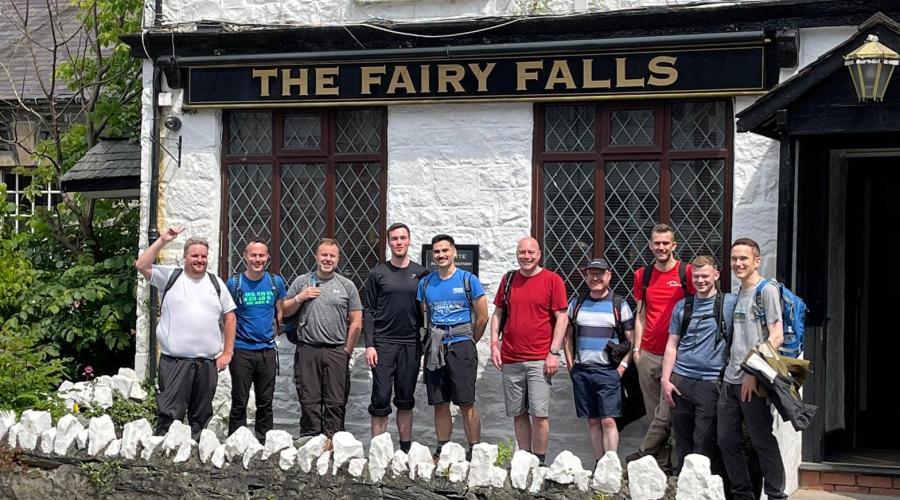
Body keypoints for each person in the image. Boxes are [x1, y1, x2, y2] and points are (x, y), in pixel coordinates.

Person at [134, 227, 237, 441]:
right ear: (185, 257)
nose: (199, 260)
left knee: (201, 417)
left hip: (207, 364)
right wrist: (163, 240)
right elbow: (141, 265)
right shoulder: (170, 276)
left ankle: (196, 463)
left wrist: (227, 352)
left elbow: (230, 317)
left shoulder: (216, 283)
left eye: (203, 256)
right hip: (175, 363)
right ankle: (163, 460)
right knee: (169, 416)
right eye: (195, 255)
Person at [489, 236, 568, 466]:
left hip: (539, 359)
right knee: (518, 413)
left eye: (531, 253)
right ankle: (524, 459)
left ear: (539, 254)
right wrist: (494, 344)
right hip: (511, 357)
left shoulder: (552, 280)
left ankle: (540, 462)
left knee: (539, 413)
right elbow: (498, 314)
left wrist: (553, 352)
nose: (526, 257)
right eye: (522, 252)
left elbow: (561, 318)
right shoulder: (509, 279)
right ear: (517, 254)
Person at [718, 238, 787, 500]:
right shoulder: (738, 294)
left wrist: (751, 372)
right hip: (730, 379)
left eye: (743, 258)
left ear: (756, 261)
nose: (737, 263)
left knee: (761, 440)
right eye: (734, 258)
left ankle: (775, 494)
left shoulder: (766, 290)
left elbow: (777, 336)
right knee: (726, 440)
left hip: (753, 379)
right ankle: (742, 494)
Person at [629, 223, 695, 470]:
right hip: (648, 354)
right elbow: (641, 314)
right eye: (657, 243)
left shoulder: (685, 273)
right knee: (653, 415)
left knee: (666, 415)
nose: (661, 247)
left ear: (674, 245)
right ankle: (662, 468)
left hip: (677, 356)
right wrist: (637, 350)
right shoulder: (642, 275)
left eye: (666, 243)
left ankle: (644, 455)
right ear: (650, 245)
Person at [661, 255, 736, 472]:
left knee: (703, 438)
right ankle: (682, 483)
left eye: (705, 276)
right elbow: (672, 344)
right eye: (696, 277)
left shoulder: (729, 304)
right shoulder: (682, 306)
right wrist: (666, 380)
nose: (700, 280)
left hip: (710, 381)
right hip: (681, 380)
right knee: (681, 438)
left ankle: (701, 486)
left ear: (716, 275)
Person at [417, 234, 489, 460]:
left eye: (445, 251)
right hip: (436, 347)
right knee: (440, 403)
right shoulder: (426, 283)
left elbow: (483, 317)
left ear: (454, 252)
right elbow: (425, 316)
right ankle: (443, 448)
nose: (441, 255)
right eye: (437, 252)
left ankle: (474, 450)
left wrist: (469, 341)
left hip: (461, 347)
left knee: (466, 402)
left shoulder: (468, 280)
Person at [283, 238, 363, 437]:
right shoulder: (302, 281)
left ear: (337, 259)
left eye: (332, 256)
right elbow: (283, 311)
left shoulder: (347, 285)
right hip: (307, 349)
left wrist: (347, 351)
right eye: (324, 255)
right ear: (316, 256)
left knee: (336, 402)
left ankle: (333, 444)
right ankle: (310, 444)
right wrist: (300, 298)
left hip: (336, 350)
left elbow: (357, 321)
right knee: (309, 401)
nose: (327, 259)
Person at [363, 223, 428, 453]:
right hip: (383, 344)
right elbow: (368, 310)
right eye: (394, 239)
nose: (398, 242)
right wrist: (369, 345)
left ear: (409, 240)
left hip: (410, 344)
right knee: (380, 399)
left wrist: (425, 342)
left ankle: (405, 450)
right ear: (389, 242)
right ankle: (377, 451)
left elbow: (427, 311)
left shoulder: (421, 274)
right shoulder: (377, 273)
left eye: (402, 238)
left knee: (405, 398)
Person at [563, 258, 634, 463]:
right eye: (592, 274)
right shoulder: (576, 303)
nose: (596, 278)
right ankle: (598, 464)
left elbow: (632, 340)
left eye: (600, 274)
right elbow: (566, 336)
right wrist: (570, 365)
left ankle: (610, 465)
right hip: (583, 370)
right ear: (586, 277)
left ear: (609, 276)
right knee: (593, 420)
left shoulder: (618, 304)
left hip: (608, 371)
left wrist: (622, 367)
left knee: (609, 421)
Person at [224, 239, 287, 441]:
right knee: (239, 400)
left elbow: (280, 309)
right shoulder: (234, 283)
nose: (257, 259)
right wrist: (228, 349)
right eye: (253, 255)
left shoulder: (275, 282)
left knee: (265, 402)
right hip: (242, 350)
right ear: (245, 256)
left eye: (261, 255)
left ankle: (264, 443)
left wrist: (276, 329)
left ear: (267, 257)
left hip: (267, 351)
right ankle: (236, 442)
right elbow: (228, 316)